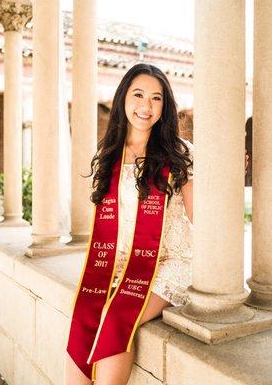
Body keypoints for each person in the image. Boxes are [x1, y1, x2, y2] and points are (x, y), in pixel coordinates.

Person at [64, 63, 194, 385]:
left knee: (117, 316)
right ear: (123, 98)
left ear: (165, 107)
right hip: (119, 265)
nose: (146, 106)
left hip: (169, 264)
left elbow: (201, 215)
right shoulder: (109, 154)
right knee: (83, 318)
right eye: (138, 94)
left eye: (156, 98)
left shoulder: (180, 154)